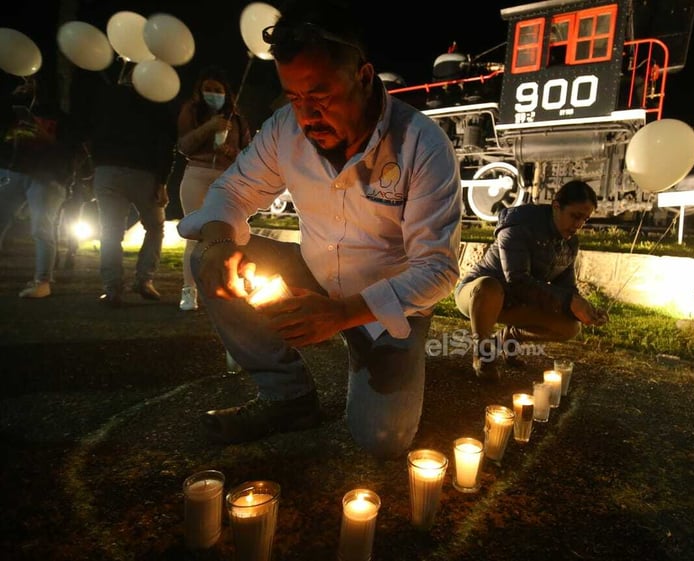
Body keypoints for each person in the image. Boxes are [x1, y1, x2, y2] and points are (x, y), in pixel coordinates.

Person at [177, 0, 462, 459]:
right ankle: (286, 395)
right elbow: (230, 193)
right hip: (312, 275)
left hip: (387, 304)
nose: (307, 116)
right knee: (208, 261)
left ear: (364, 77)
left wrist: (342, 315)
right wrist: (219, 243)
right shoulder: (284, 130)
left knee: (383, 442)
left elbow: (438, 270)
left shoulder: (421, 144)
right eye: (294, 97)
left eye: (321, 95)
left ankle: (368, 351)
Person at [454, 180, 609, 381]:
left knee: (570, 327)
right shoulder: (520, 225)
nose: (578, 225)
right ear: (556, 206)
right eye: (575, 216)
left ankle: (508, 338)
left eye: (585, 220)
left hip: (517, 303)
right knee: (489, 286)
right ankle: (483, 353)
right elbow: (517, 280)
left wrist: (586, 310)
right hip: (479, 297)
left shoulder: (570, 244)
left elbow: (566, 289)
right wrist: (569, 301)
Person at [81, 67, 176, 307]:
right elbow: (165, 143)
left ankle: (112, 287)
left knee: (111, 231)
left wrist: (94, 166)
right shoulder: (155, 103)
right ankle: (144, 280)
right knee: (154, 227)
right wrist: (162, 181)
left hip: (108, 170)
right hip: (142, 172)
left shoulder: (106, 97)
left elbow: (88, 131)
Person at [175, 66, 251, 311]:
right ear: (199, 91)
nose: (213, 94)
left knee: (226, 235)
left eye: (217, 90)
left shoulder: (237, 119)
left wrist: (232, 152)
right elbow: (183, 146)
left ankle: (227, 287)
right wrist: (208, 128)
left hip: (226, 179)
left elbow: (249, 156)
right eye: (208, 89)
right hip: (197, 174)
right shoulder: (192, 111)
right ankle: (189, 291)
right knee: (194, 235)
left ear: (227, 94)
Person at [0, 77, 73, 298]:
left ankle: (42, 281)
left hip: (47, 176)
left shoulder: (63, 118)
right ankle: (41, 280)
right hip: (13, 170)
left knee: (41, 228)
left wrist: (47, 137)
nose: (32, 87)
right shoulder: (13, 109)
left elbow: (70, 151)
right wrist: (14, 98)